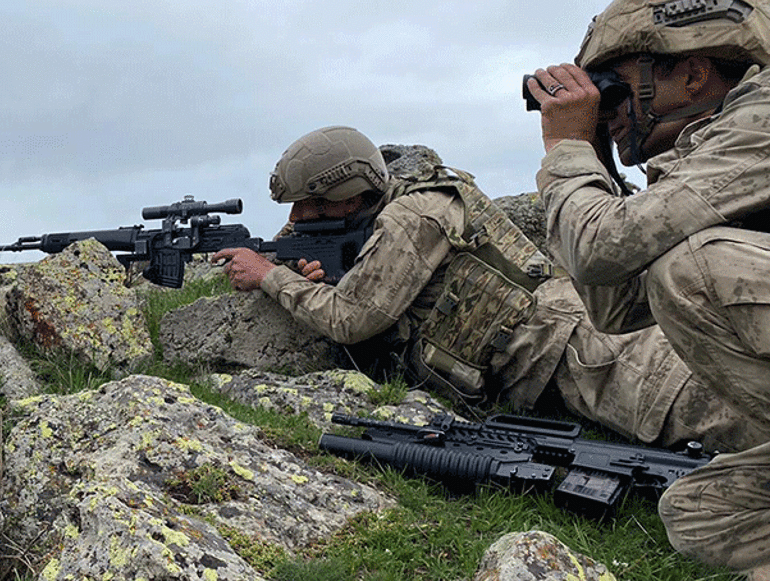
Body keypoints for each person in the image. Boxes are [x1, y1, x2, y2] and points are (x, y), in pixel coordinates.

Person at [211, 125, 754, 455]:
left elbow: (352, 320)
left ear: (350, 193)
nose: (299, 218)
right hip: (559, 349)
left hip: (581, 350)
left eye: (311, 206)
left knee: (725, 415)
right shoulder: (391, 202)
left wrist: (268, 275)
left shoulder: (414, 213)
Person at [526, 0, 770, 581]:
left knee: (696, 267)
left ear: (694, 73)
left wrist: (568, 153)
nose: (611, 112)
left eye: (619, 91)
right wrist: (594, 154)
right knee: (697, 512)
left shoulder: (763, 117)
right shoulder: (707, 153)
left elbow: (610, 247)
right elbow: (615, 303)